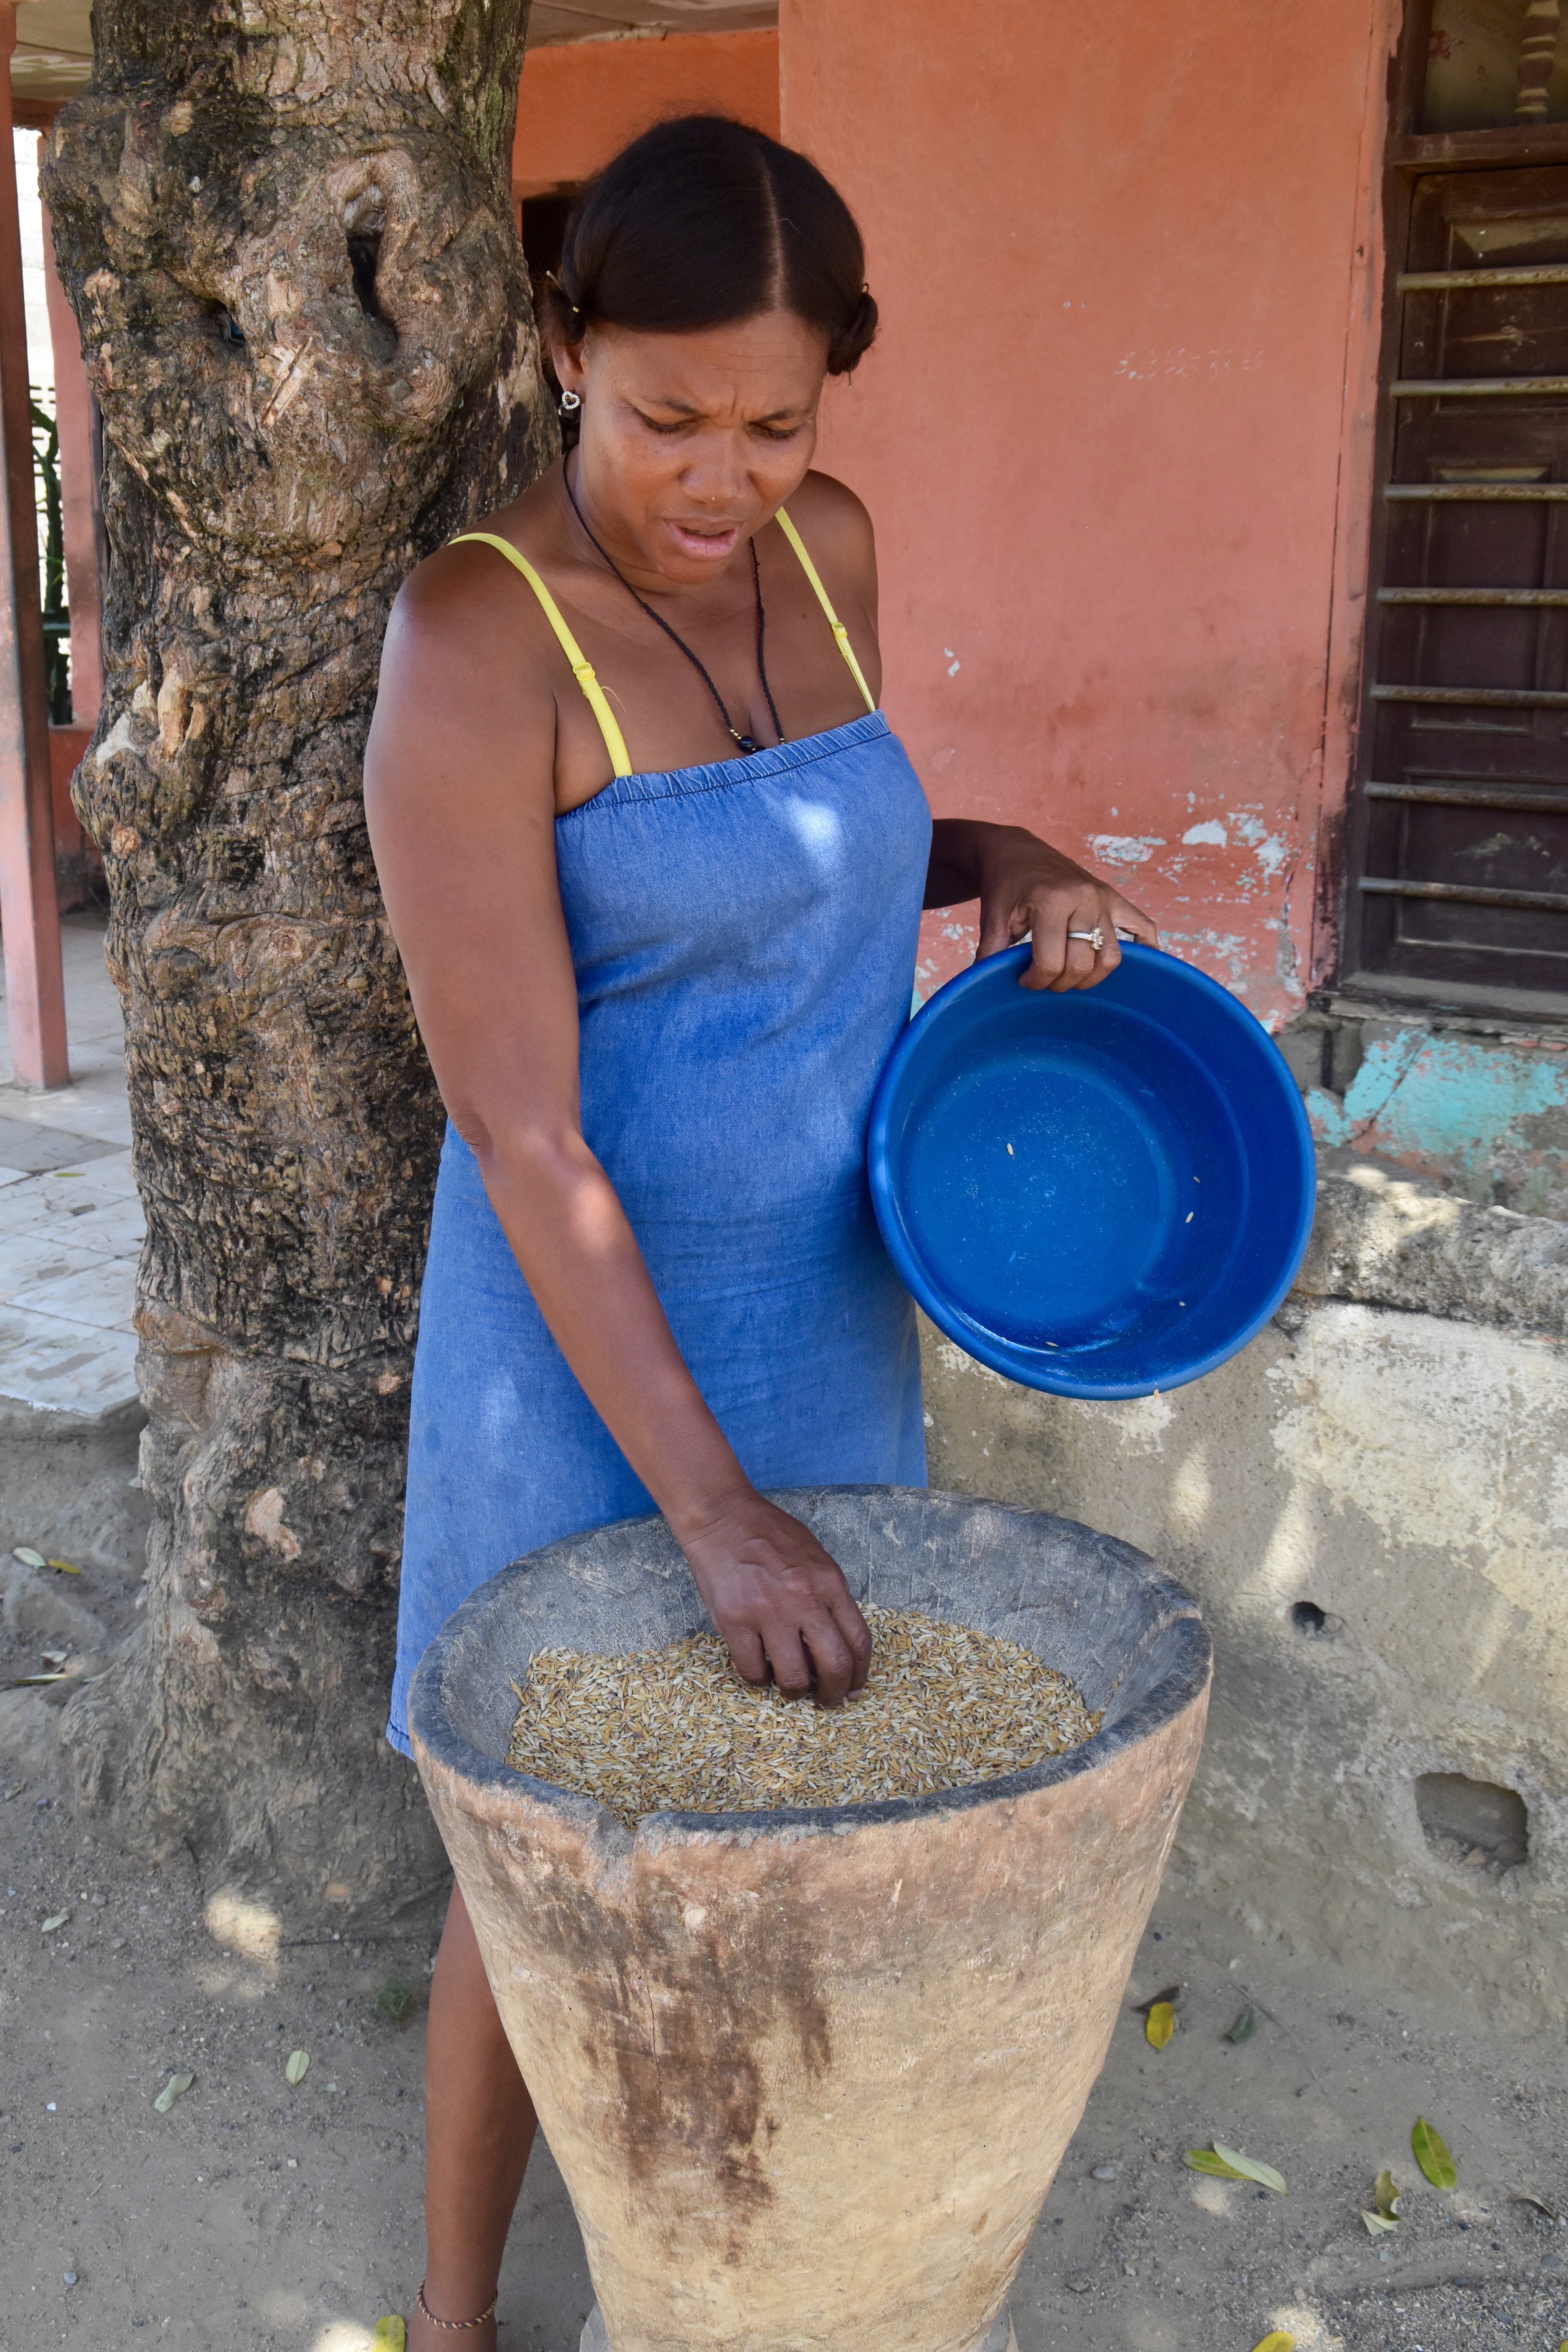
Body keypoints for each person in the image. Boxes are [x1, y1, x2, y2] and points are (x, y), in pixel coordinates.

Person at [365, 113, 1157, 2346]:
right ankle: (454, 2316)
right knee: (540, 1862)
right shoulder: (476, 641)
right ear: (566, 344)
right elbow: (521, 1130)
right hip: (583, 1343)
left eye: (776, 421)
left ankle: (738, 2272)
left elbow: (800, 852)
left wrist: (999, 849)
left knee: (797, 1812)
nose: (719, 481)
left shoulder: (829, 555)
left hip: (816, 1314)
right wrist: (710, 1514)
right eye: (663, 419)